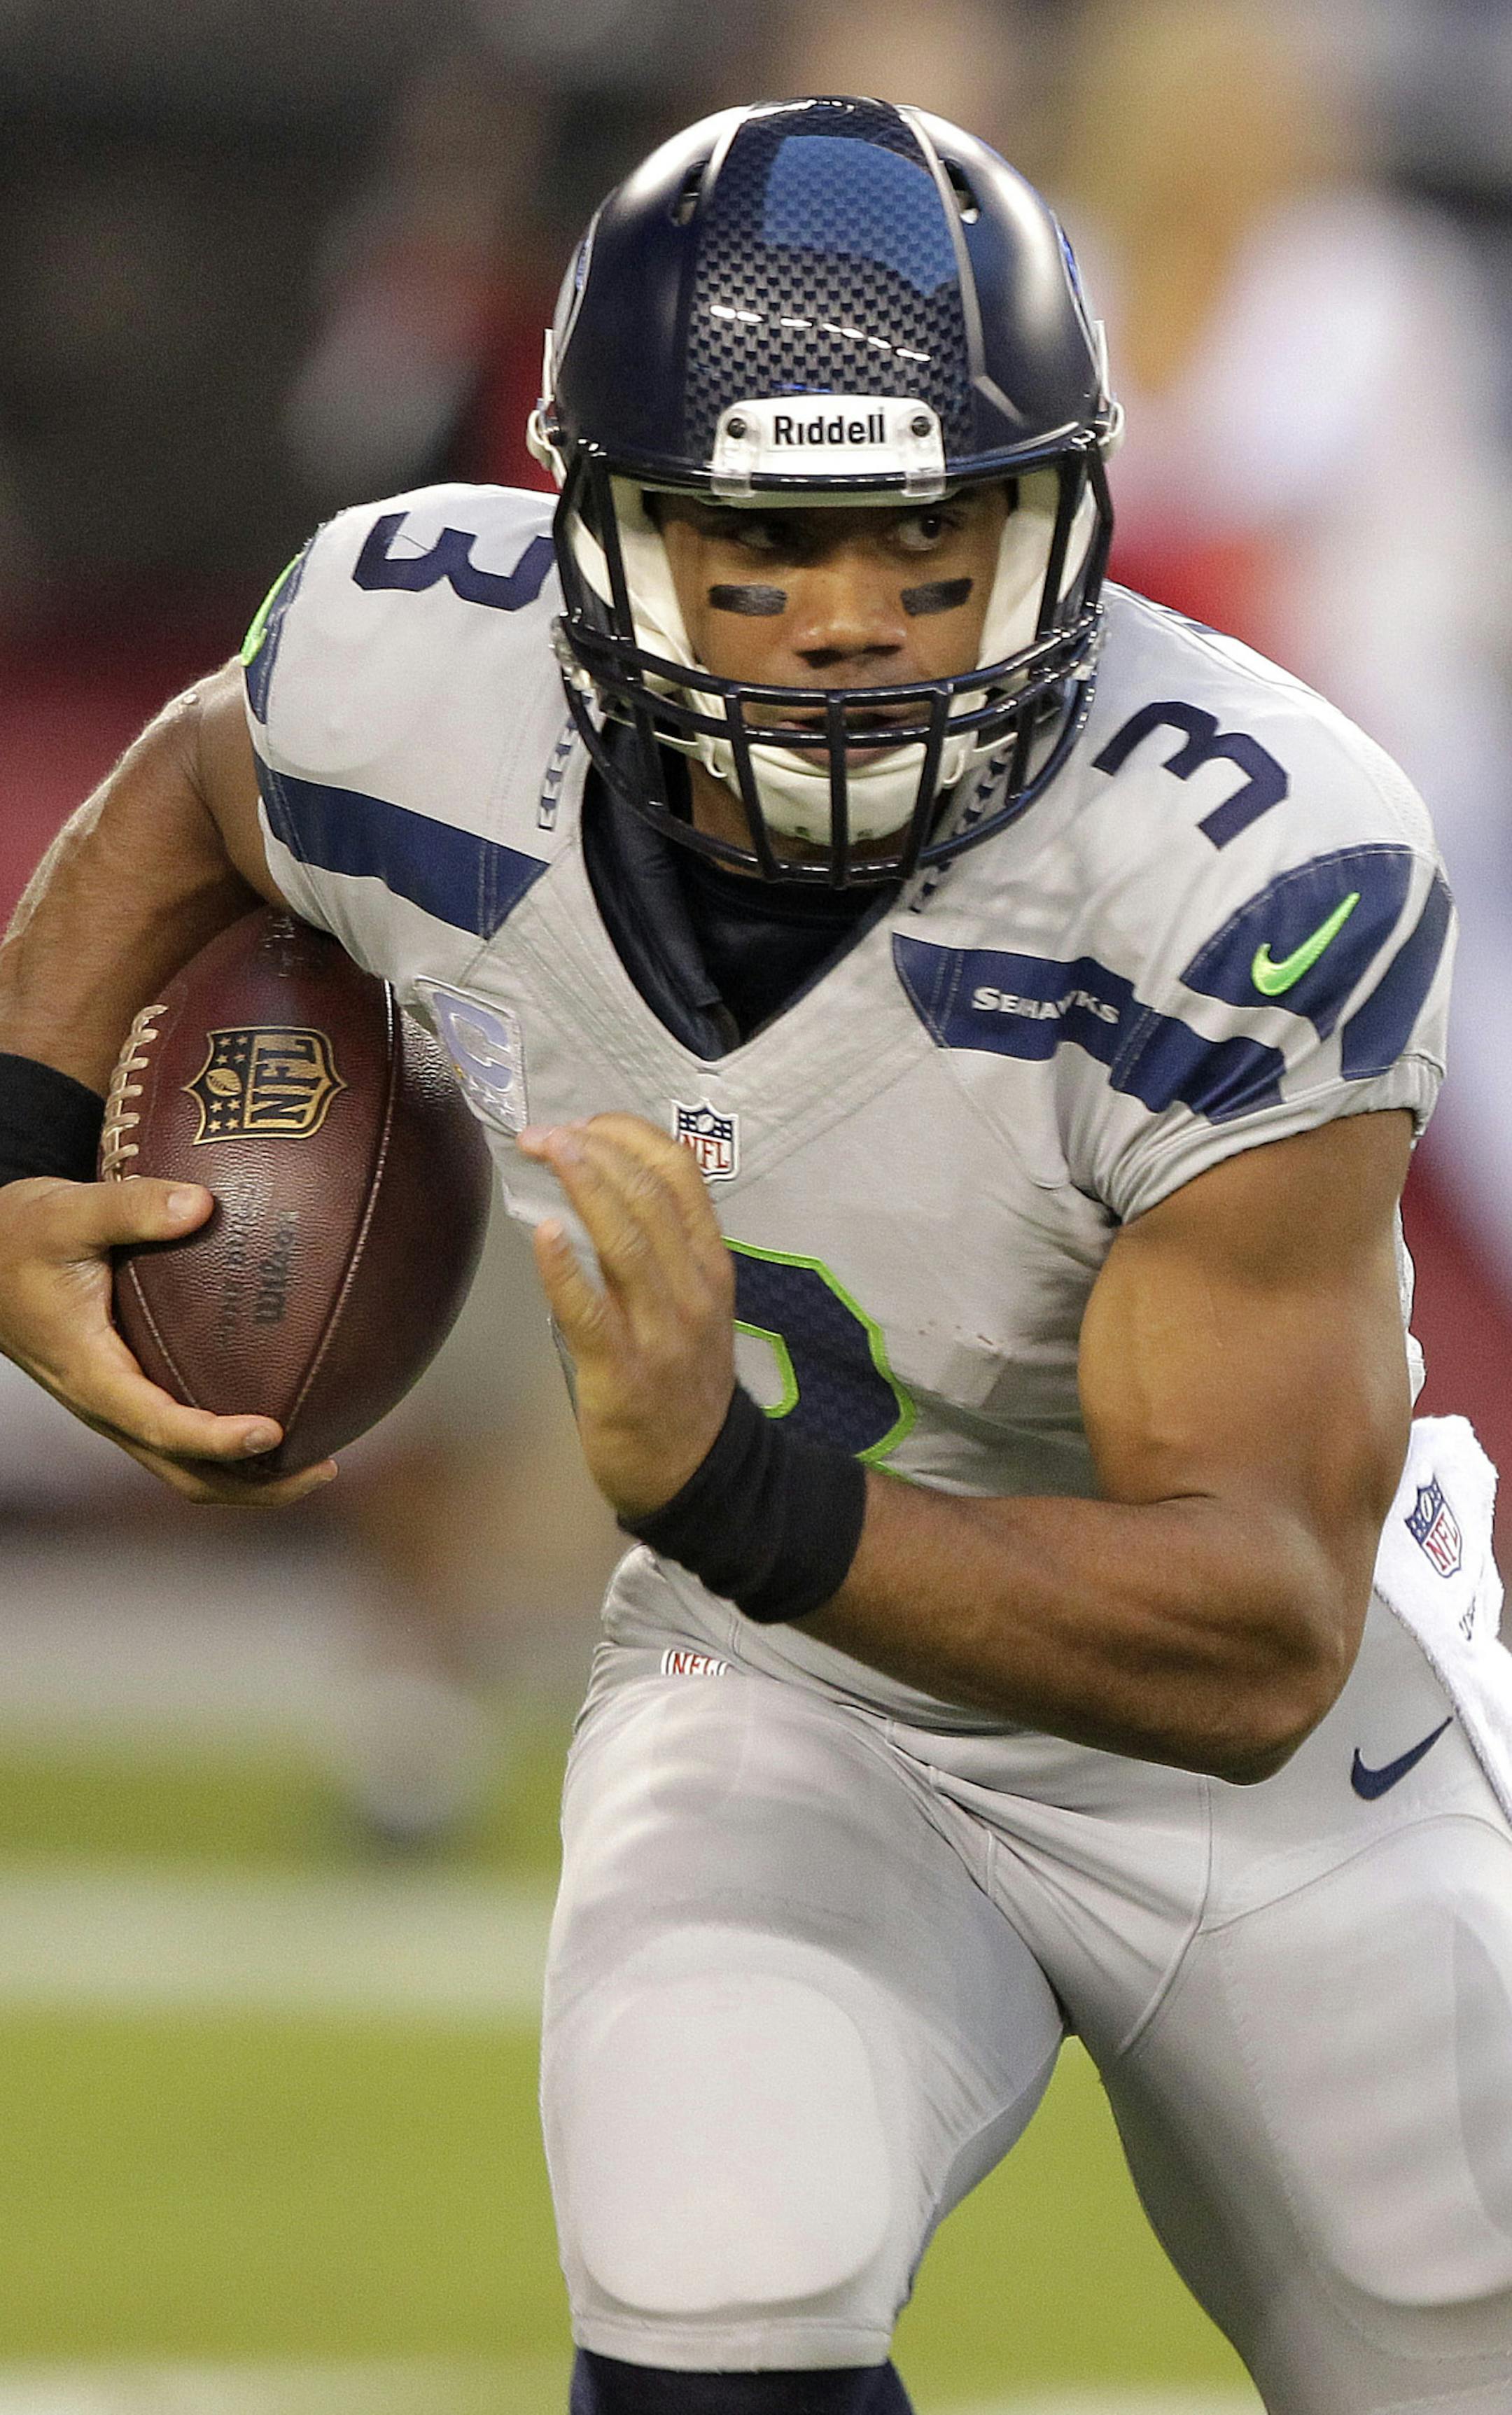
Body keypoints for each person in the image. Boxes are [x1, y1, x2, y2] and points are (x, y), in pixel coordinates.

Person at [0, 95, 1509, 2415]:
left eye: (928, 537)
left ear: (1062, 525)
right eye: (754, 544)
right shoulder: (416, 664)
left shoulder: (1242, 863)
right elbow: (206, 781)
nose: (839, 625)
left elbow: (1255, 1632)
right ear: (593, 536)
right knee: (717, 2273)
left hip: (1256, 1761)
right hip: (787, 1692)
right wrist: (21, 1142)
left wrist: (726, 1485)